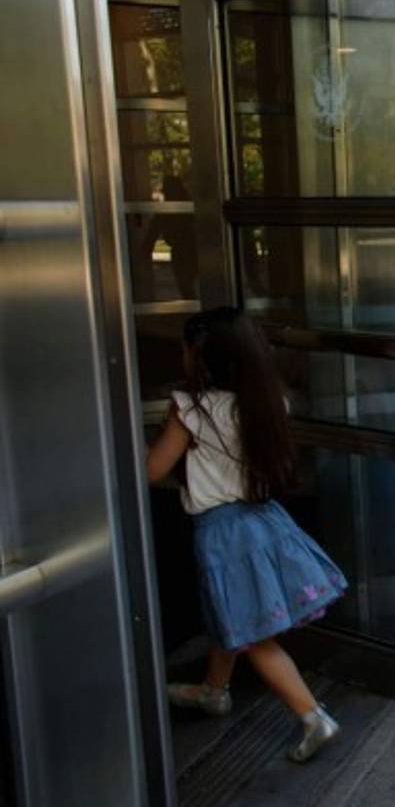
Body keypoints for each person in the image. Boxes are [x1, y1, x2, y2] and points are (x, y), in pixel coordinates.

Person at [145, 307, 348, 762]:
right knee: (232, 613)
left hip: (224, 534)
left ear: (201, 357)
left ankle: (314, 717)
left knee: (253, 634)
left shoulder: (191, 411)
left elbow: (152, 470)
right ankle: (213, 690)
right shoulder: (268, 401)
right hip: (262, 521)